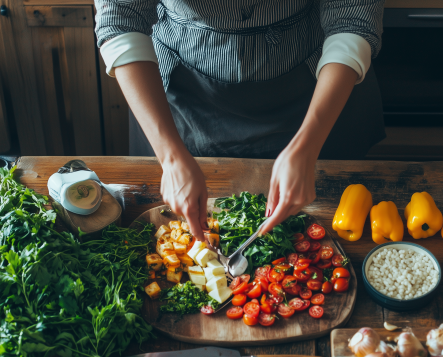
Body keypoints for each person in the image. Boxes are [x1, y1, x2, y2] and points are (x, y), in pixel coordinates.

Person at [95, 0, 385, 241]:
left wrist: (308, 144)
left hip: (316, 87)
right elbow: (121, 19)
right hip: (179, 101)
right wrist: (170, 158)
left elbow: (352, 17)